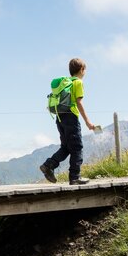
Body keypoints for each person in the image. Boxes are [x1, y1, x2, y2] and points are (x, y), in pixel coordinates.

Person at [40, 57, 95, 185]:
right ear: (82, 69)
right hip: (71, 117)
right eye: (85, 70)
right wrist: (87, 121)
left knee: (66, 147)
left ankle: (49, 165)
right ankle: (75, 177)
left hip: (60, 117)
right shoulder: (78, 83)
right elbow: (79, 102)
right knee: (77, 147)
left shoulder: (66, 82)